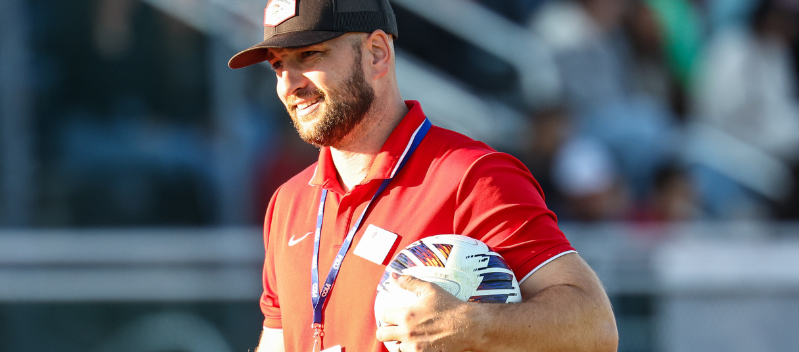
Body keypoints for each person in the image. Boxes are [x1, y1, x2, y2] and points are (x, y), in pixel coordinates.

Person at [226, 0, 618, 351]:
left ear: (377, 53)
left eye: (310, 55)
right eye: (278, 64)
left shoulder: (473, 177)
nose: (289, 84)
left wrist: (473, 326)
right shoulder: (288, 202)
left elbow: (595, 327)